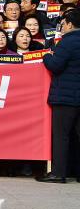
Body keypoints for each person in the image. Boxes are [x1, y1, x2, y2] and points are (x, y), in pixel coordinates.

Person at [38, 9, 80, 183]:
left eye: (62, 24)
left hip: (66, 97)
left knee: (61, 136)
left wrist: (47, 56)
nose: (61, 27)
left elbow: (55, 65)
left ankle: (58, 173)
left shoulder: (67, 42)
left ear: (69, 24)